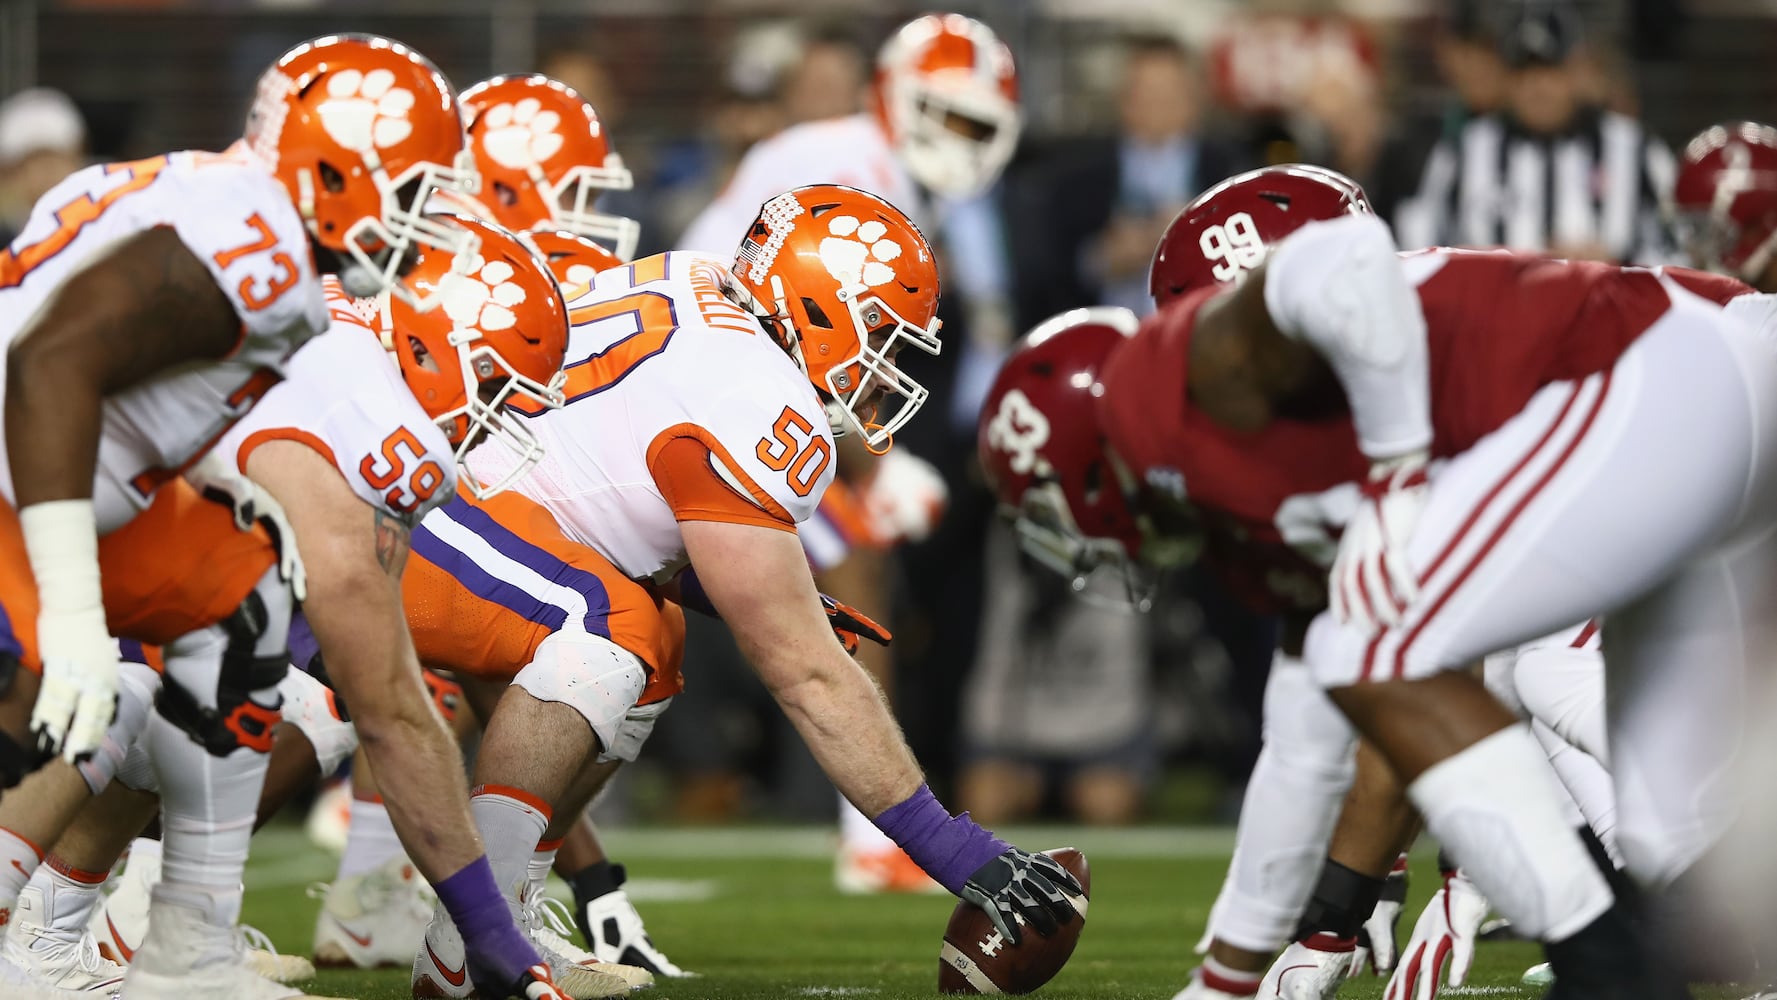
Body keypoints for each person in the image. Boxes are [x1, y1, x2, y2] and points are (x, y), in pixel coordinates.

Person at [979, 170, 1774, 999]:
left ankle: (1599, 962)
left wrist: (1395, 469)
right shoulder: (1266, 466)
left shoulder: (1181, 380)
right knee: (1666, 824)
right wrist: (1233, 973)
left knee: (1428, 648)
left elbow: (1343, 266)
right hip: (1691, 403)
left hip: (1673, 382)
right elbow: (1301, 742)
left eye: (1051, 511)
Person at [0, 32, 586, 1000]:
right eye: (407, 186)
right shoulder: (264, 258)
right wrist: (66, 608)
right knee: (115, 675)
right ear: (333, 162)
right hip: (28, 471)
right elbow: (50, 365)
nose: (416, 221)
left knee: (236, 605)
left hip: (60, 471)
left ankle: (184, 947)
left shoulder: (179, 183)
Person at [393, 181, 1079, 998]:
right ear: (820, 308)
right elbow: (806, 674)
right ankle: (473, 943)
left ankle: (499, 915)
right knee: (613, 636)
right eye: (881, 337)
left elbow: (607, 495)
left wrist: (738, 591)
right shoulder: (760, 402)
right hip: (419, 511)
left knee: (647, 640)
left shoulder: (694, 275)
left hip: (442, 479)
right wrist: (958, 851)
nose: (884, 366)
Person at [677, 11, 1021, 893]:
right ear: (893, 98)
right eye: (946, 115)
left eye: (976, 125)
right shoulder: (856, 169)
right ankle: (878, 834)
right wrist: (877, 463)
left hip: (717, 367)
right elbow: (819, 327)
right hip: (707, 369)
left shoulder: (866, 161)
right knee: (854, 569)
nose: (958, 139)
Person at [1396, 0, 1675, 264]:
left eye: (1550, 69)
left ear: (1577, 70)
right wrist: (1478, 265)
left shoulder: (1636, 149)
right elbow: (1422, 247)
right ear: (1506, 77)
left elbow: (1681, 251)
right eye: (1523, 71)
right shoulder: (1462, 150)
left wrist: (1619, 267)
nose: (1537, 86)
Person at [0, 88, 86, 246]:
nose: (49, 173)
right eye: (36, 163)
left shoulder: (96, 229)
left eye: (57, 160)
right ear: (11, 174)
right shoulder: (5, 238)